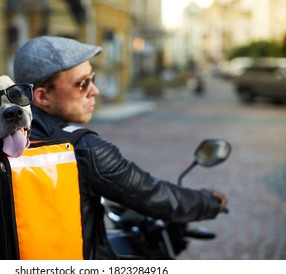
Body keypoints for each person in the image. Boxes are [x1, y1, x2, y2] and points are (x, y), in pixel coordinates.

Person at [13, 36, 228, 260]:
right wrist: (208, 203)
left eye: (92, 79)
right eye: (82, 83)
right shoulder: (82, 149)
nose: (94, 90)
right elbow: (151, 194)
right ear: (42, 96)